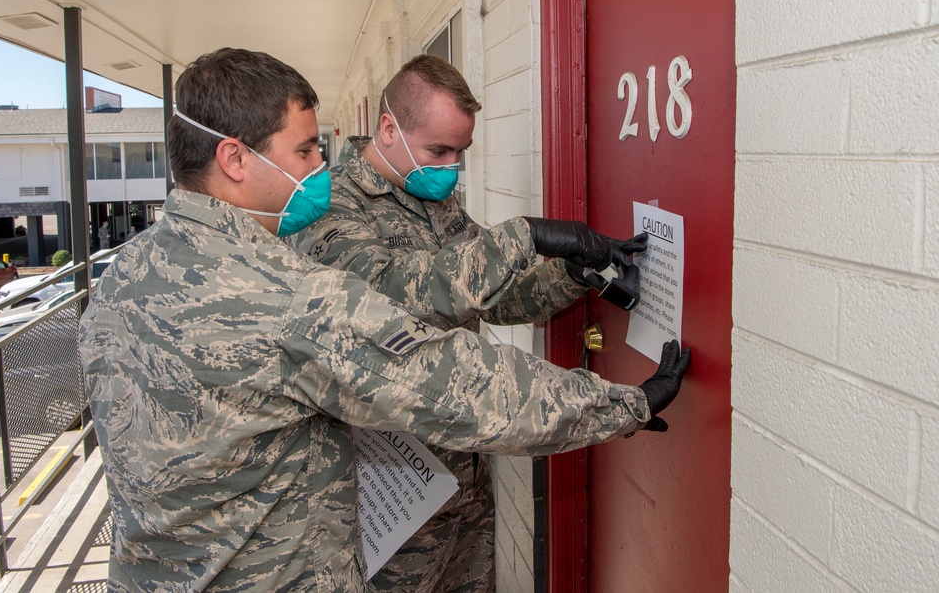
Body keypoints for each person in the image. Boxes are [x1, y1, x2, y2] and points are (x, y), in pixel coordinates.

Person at [80, 47, 690, 592]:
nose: (321, 160)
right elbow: (448, 379)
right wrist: (623, 403)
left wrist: (573, 272)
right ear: (235, 158)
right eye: (304, 148)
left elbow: (486, 295)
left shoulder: (119, 278)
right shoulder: (282, 293)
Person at [294, 54, 645, 591]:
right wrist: (526, 235)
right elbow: (390, 293)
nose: (452, 165)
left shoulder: (437, 203)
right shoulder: (332, 208)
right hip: (391, 491)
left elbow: (494, 296)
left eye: (461, 151)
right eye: (439, 149)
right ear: (389, 128)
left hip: (465, 471)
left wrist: (575, 274)